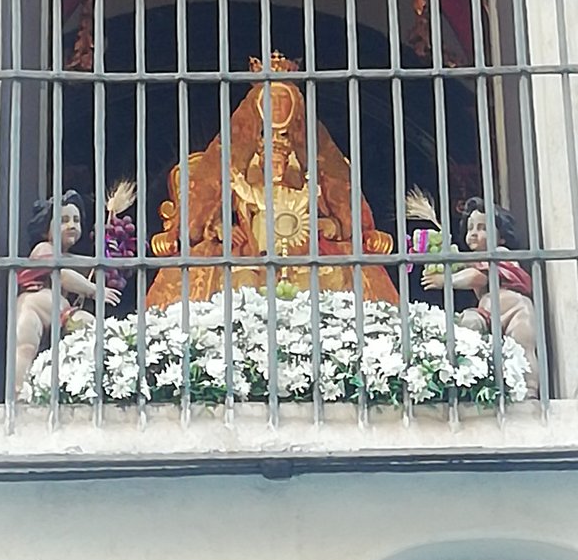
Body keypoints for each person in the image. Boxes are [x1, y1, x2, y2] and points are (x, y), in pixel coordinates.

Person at [147, 53, 398, 307]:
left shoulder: (313, 157)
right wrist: (220, 228)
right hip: (249, 243)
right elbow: (212, 200)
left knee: (340, 274)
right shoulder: (238, 157)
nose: (276, 107)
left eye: (282, 100)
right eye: (271, 100)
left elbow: (337, 202)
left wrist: (332, 225)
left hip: (307, 246)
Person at [421, 196, 538, 397]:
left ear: (501, 237)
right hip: (489, 314)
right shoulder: (474, 260)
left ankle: (530, 393)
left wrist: (446, 280)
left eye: (482, 227)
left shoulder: (500, 253)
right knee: (466, 325)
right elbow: (469, 267)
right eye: (470, 228)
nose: (474, 233)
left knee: (524, 349)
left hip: (516, 311)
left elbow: (478, 277)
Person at [15, 190, 120, 393]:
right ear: (46, 230)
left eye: (76, 220)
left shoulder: (64, 255)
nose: (72, 225)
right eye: (63, 220)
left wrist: (107, 256)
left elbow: (79, 264)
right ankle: (18, 396)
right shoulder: (43, 249)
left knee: (27, 351)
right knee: (25, 350)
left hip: (50, 311)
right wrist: (94, 290)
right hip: (36, 307)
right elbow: (63, 274)